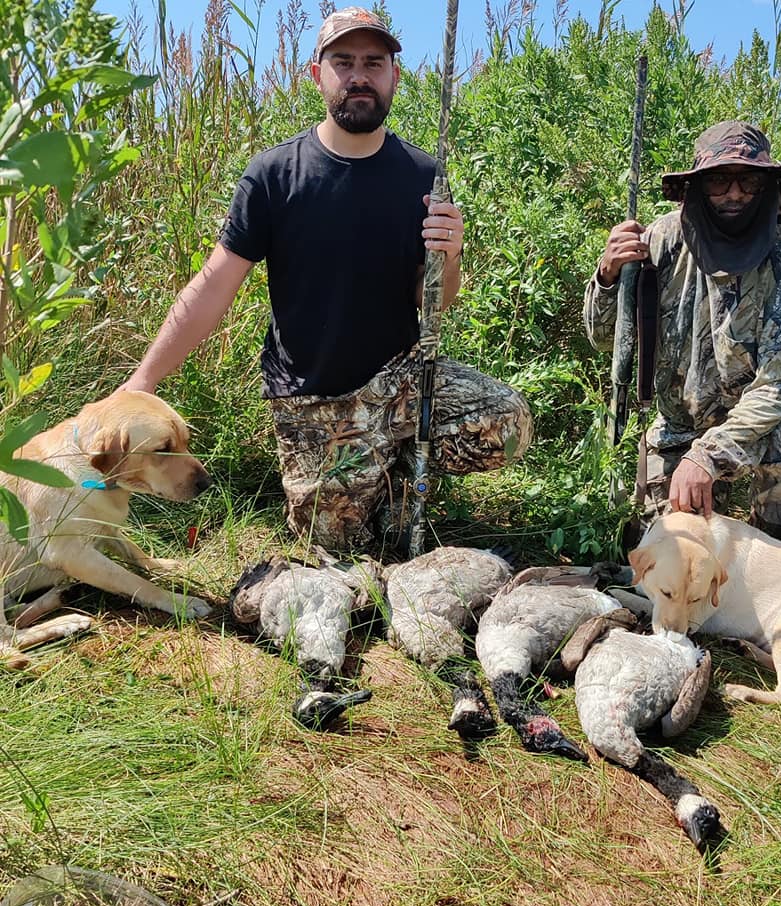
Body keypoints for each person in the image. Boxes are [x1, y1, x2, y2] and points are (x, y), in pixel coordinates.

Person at [121, 6, 532, 555]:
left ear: (394, 76)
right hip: (314, 398)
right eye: (344, 62)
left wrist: (449, 255)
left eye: (374, 62)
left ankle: (397, 465)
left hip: (401, 380)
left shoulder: (422, 175)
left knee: (507, 421)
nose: (360, 75)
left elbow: (431, 300)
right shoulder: (273, 176)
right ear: (318, 73)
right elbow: (213, 286)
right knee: (341, 547)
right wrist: (142, 381)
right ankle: (364, 474)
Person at [583, 120, 781, 541]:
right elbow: (604, 340)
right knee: (666, 548)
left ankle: (764, 543)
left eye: (749, 181)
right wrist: (609, 274)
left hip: (763, 426)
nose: (735, 193)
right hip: (679, 429)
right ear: (698, 187)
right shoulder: (662, 239)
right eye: (720, 180)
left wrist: (708, 455)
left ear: (768, 186)